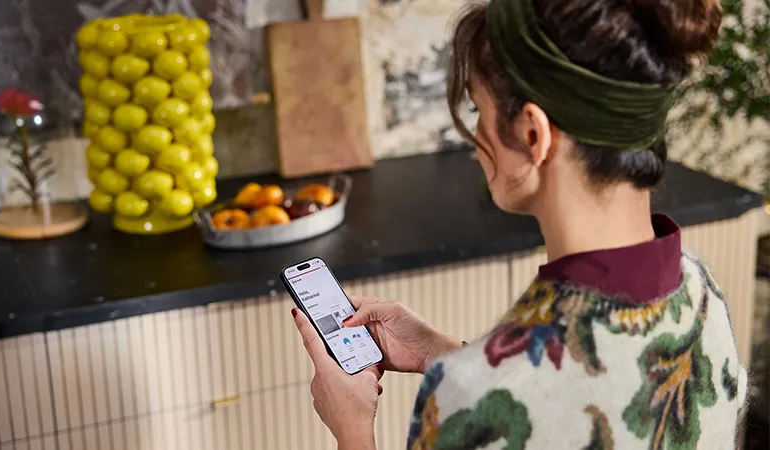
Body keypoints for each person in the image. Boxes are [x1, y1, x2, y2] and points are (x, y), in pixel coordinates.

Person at [290, 0, 749, 448]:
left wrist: (352, 427)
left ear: (533, 135)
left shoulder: (471, 396)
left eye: (478, 110)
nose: (476, 145)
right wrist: (441, 351)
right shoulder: (701, 291)